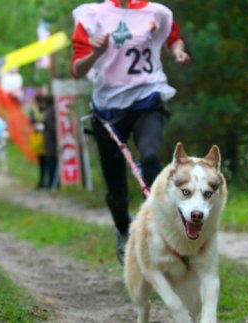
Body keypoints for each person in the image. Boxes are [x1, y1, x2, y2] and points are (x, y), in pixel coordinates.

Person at [71, 0, 191, 263]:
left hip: (146, 96)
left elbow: (173, 38)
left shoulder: (156, 12)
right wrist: (96, 53)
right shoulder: (92, 16)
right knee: (116, 190)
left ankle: (163, 227)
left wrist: (177, 52)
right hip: (107, 109)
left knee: (149, 157)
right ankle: (124, 231)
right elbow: (77, 70)